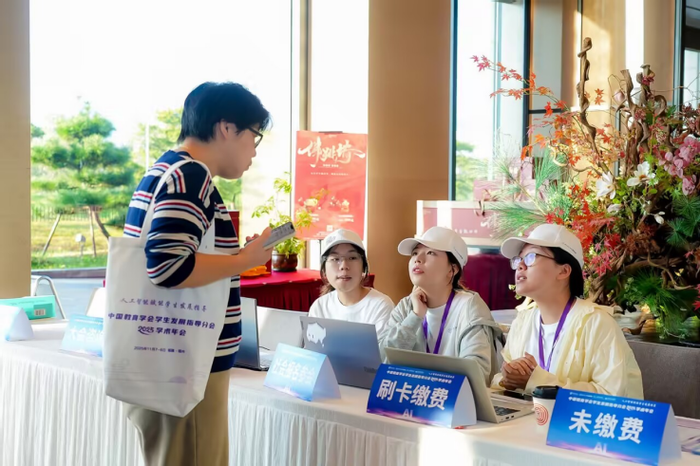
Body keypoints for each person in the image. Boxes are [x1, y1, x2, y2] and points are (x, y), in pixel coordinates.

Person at [122, 82, 273, 466]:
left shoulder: (164, 170)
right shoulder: (190, 177)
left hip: (164, 355)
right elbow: (167, 266)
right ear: (227, 128)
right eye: (254, 135)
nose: (254, 150)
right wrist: (244, 260)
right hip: (187, 361)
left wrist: (237, 255)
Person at [491, 224, 643, 399]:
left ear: (564, 271)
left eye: (531, 257)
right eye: (518, 259)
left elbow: (610, 396)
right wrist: (507, 380)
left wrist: (536, 381)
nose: (520, 266)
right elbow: (500, 382)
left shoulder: (596, 323)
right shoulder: (522, 322)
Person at [379, 226, 503, 385]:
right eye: (415, 253)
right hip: (409, 395)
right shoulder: (406, 306)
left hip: (451, 398)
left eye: (430, 253)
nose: (418, 259)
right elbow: (382, 361)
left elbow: (477, 373)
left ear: (452, 269)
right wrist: (415, 317)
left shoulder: (469, 307)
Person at [309, 229, 394, 335]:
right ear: (324, 269)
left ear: (364, 266)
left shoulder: (380, 306)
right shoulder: (320, 307)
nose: (344, 266)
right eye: (335, 259)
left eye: (352, 258)